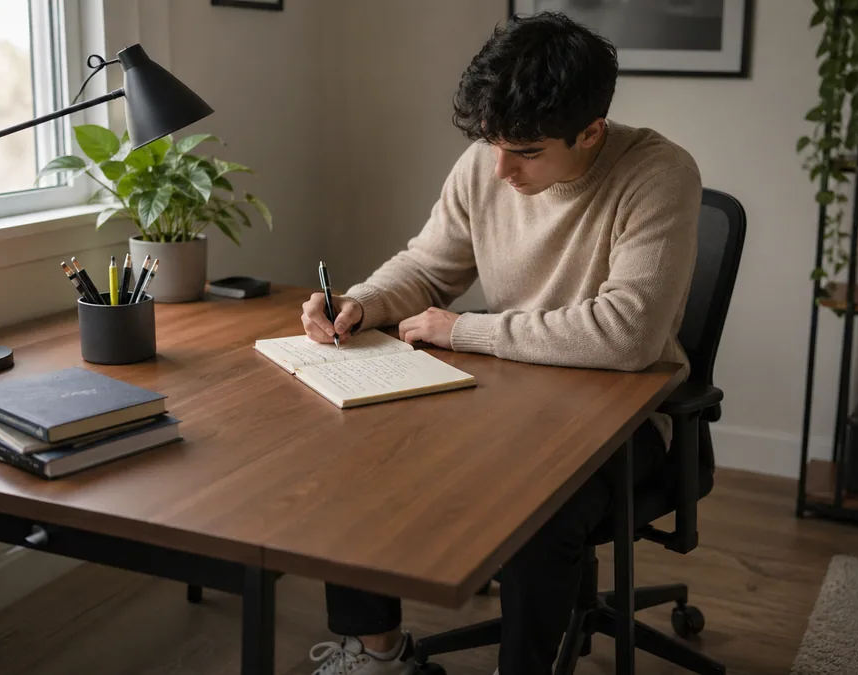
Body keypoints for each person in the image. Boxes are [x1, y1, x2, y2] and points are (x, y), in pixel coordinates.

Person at [299, 10, 703, 675]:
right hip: (508, 396)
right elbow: (429, 267)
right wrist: (360, 301)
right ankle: (379, 653)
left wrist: (463, 329)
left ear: (591, 131)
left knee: (539, 505)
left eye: (525, 152)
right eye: (492, 143)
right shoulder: (490, 163)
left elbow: (629, 334)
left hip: (624, 418)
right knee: (361, 448)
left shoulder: (658, 175)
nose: (500, 171)